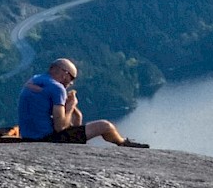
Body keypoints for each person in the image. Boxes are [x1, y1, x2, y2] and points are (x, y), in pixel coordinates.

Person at [16, 59, 148, 148]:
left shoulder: (34, 80)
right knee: (106, 126)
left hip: (27, 135)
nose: (71, 83)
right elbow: (60, 127)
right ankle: (124, 144)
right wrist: (71, 106)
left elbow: (44, 110)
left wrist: (71, 109)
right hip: (46, 139)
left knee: (77, 120)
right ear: (64, 74)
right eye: (72, 78)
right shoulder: (57, 88)